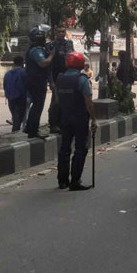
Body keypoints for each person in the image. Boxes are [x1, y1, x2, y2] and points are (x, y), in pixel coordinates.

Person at [56, 52, 98, 191]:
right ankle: (75, 180)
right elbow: (89, 102)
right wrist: (93, 119)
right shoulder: (82, 79)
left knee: (64, 149)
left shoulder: (60, 78)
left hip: (65, 118)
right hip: (79, 118)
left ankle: (62, 181)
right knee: (80, 149)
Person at [25, 26, 55, 139]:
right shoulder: (36, 50)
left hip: (35, 80)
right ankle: (32, 131)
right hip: (37, 81)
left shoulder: (34, 49)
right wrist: (52, 55)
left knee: (36, 105)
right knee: (38, 106)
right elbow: (43, 63)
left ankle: (29, 127)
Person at [46, 25, 74, 134]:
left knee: (67, 100)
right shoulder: (51, 45)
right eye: (59, 32)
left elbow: (70, 56)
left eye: (63, 31)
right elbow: (49, 65)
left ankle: (64, 123)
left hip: (67, 75)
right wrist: (51, 81)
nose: (61, 33)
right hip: (56, 76)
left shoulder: (69, 43)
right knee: (56, 101)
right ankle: (53, 124)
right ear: (55, 33)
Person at [3, 56, 27, 133]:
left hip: (10, 98)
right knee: (18, 118)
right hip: (21, 98)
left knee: (15, 116)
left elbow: (4, 86)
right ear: (22, 63)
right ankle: (15, 132)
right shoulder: (24, 72)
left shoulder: (7, 73)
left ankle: (15, 130)